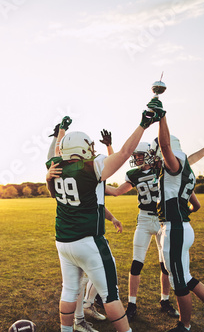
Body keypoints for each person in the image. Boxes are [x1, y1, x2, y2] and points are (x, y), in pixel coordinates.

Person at [101, 129, 204, 322]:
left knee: (169, 268)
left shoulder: (165, 168)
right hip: (149, 220)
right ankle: (133, 304)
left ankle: (169, 304)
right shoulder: (140, 173)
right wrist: (96, 184)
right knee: (144, 265)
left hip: (167, 223)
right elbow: (117, 188)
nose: (136, 159)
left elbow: (188, 159)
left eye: (140, 155)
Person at [46, 111, 156, 332]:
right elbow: (125, 153)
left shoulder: (54, 168)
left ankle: (67, 330)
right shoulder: (90, 168)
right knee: (110, 294)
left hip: (64, 241)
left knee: (69, 290)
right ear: (85, 148)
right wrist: (143, 125)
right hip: (89, 241)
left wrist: (60, 132)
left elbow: (54, 152)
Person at [147, 97, 204, 332]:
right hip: (181, 227)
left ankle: (184, 326)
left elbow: (166, 147)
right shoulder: (183, 168)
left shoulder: (172, 164)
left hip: (175, 229)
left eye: (158, 151)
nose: (156, 155)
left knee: (180, 283)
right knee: (185, 277)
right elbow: (194, 199)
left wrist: (162, 117)